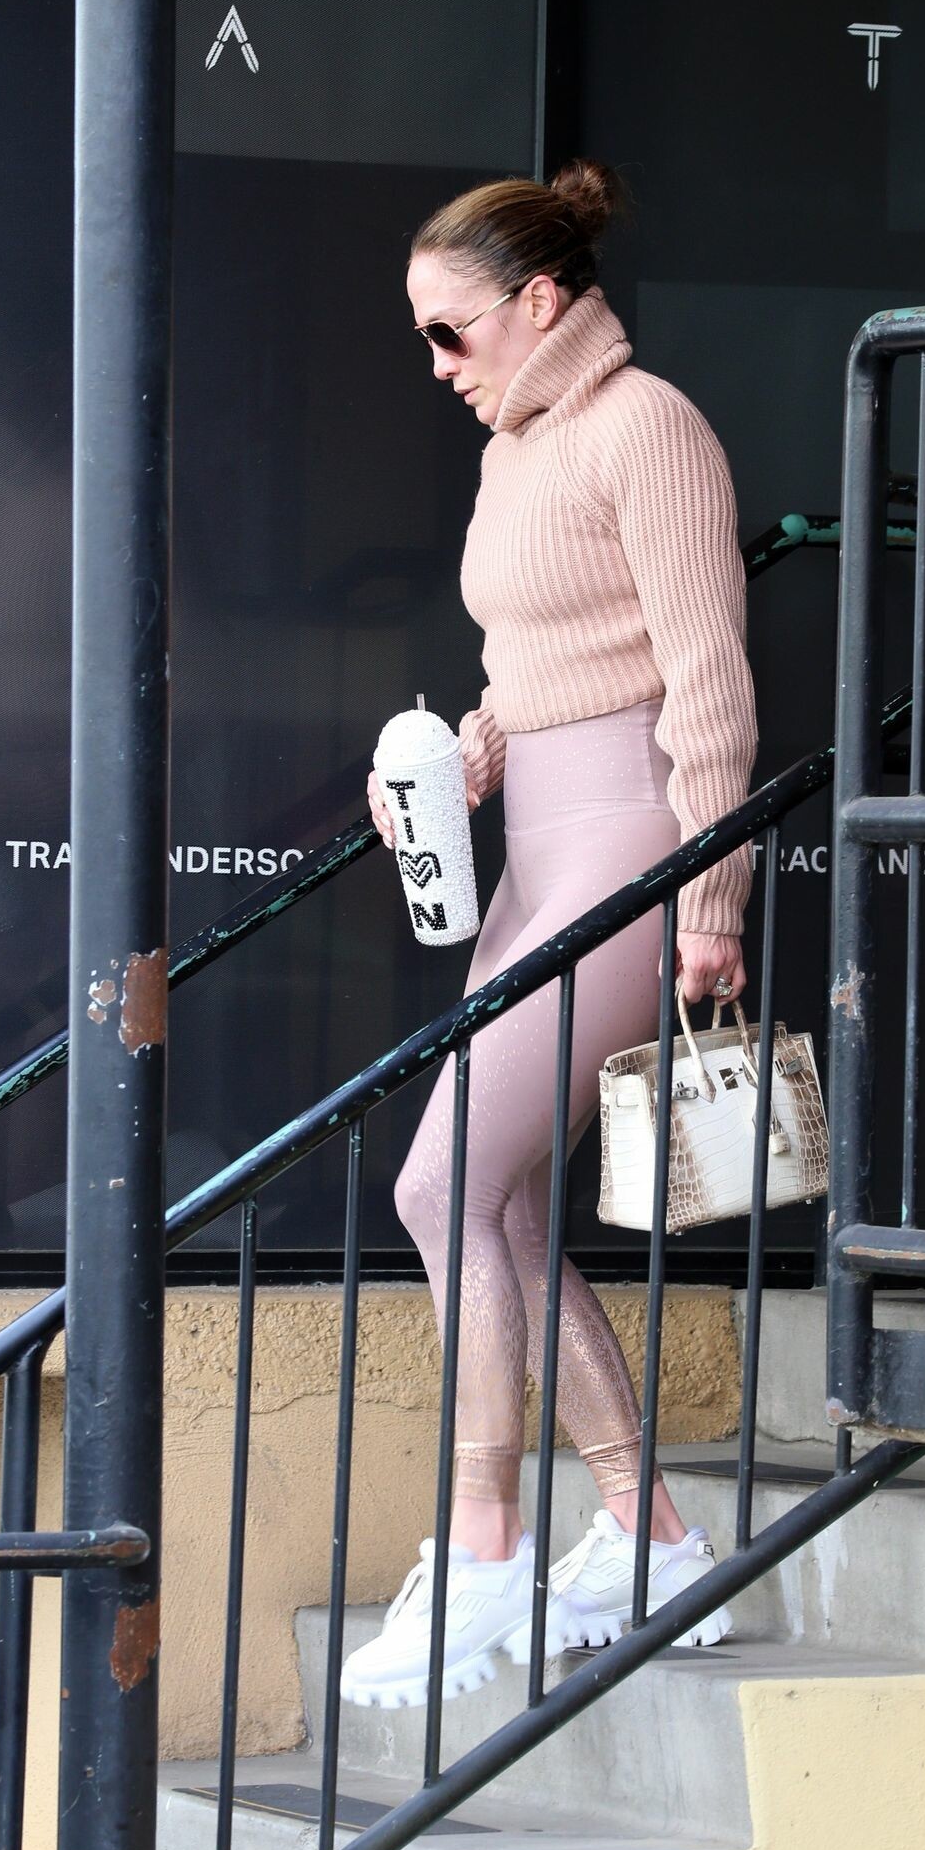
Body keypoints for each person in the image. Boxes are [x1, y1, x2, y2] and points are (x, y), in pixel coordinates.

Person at [341, 159, 758, 1709]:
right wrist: (468, 754)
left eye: (449, 332)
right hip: (533, 850)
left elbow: (706, 676)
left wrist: (710, 896)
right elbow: (536, 665)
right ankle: (650, 1533)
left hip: (635, 841)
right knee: (499, 1197)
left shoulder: (647, 426)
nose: (434, 365)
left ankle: (484, 1544)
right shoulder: (515, 449)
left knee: (441, 1180)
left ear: (538, 299)